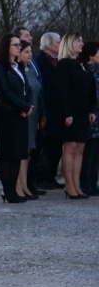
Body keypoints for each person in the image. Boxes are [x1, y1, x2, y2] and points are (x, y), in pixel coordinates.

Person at [0, 34, 32, 203]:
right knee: (7, 153)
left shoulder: (18, 67)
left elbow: (27, 88)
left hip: (20, 114)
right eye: (15, 45)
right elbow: (5, 92)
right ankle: (8, 191)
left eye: (19, 45)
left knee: (18, 153)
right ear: (6, 47)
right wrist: (23, 106)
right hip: (6, 114)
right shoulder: (0, 68)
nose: (18, 47)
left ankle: (13, 191)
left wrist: (27, 105)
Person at [56, 32, 97, 199]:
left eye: (81, 40)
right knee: (70, 148)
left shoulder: (82, 65)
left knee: (80, 149)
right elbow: (62, 90)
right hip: (71, 112)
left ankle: (77, 185)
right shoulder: (64, 64)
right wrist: (67, 113)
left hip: (83, 113)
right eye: (78, 41)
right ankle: (69, 186)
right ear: (69, 43)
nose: (81, 43)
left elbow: (90, 91)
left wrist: (92, 110)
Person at [34, 32, 64, 190]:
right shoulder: (39, 61)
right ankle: (42, 176)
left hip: (58, 110)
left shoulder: (60, 61)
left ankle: (51, 175)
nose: (60, 44)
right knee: (46, 144)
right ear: (49, 45)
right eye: (58, 42)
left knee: (57, 145)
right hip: (46, 108)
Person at [16, 40, 43, 199]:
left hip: (33, 115)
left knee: (27, 151)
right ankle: (18, 185)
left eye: (30, 52)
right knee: (20, 151)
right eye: (26, 52)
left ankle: (24, 185)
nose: (30, 54)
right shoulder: (17, 71)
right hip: (22, 114)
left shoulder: (31, 71)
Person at [79, 41, 99, 196]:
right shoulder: (85, 70)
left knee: (96, 150)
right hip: (92, 113)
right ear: (91, 54)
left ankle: (93, 180)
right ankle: (84, 181)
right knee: (89, 149)